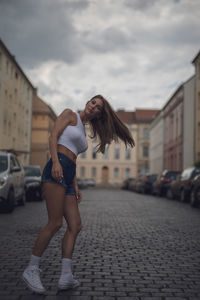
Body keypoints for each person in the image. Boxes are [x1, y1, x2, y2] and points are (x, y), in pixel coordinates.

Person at [22, 95, 135, 294]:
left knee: (75, 225)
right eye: (93, 103)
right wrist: (56, 162)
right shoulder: (69, 114)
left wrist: (74, 184)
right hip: (56, 169)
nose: (93, 107)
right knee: (55, 223)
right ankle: (31, 269)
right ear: (87, 103)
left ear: (100, 114)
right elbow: (53, 137)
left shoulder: (83, 128)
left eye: (98, 107)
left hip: (69, 174)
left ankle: (66, 276)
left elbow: (74, 157)